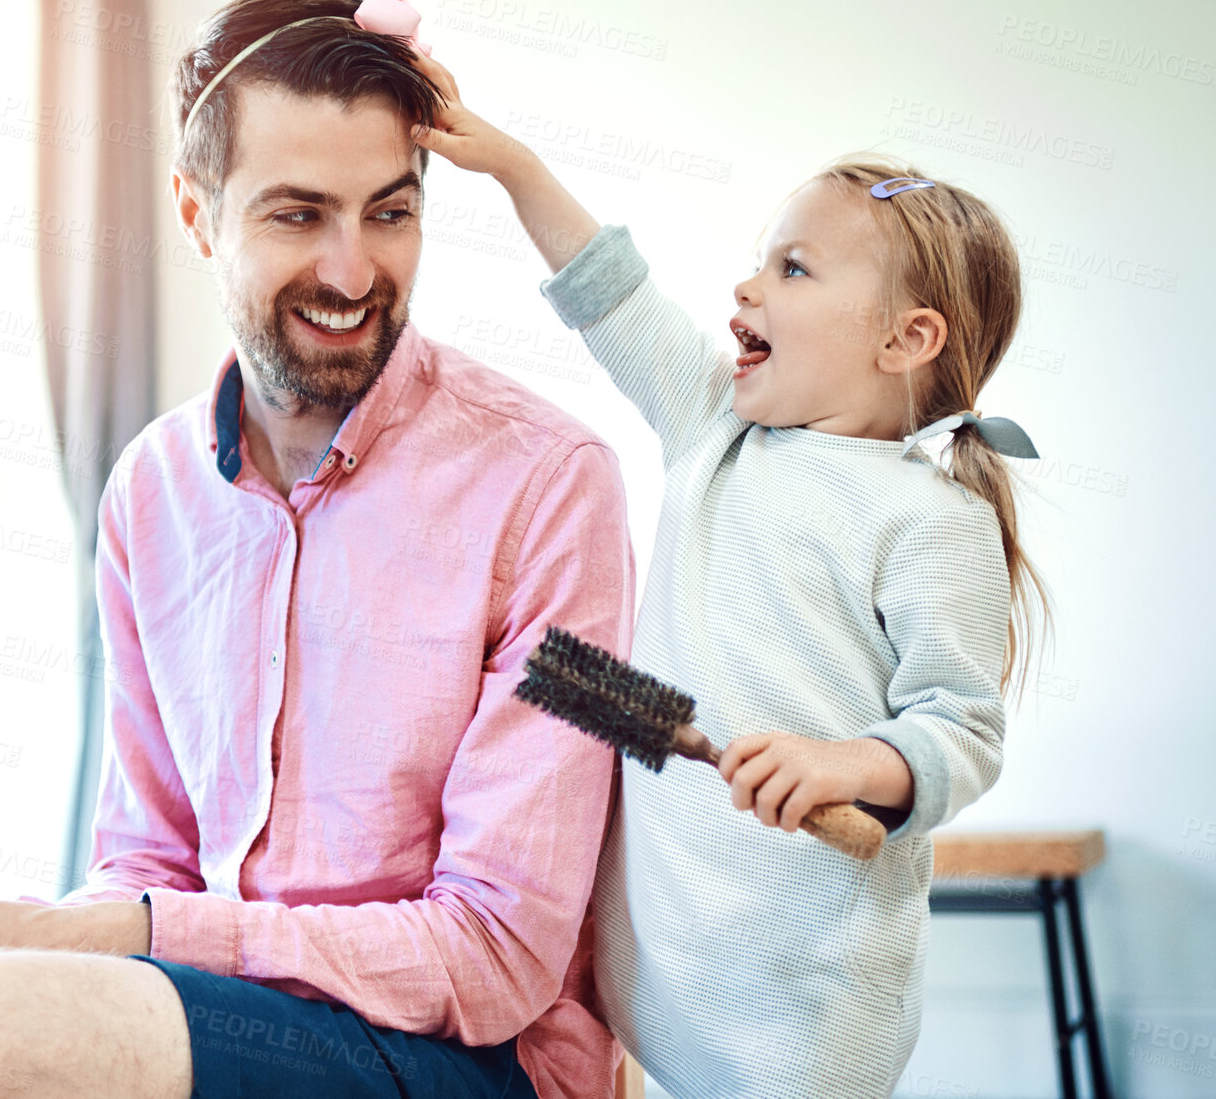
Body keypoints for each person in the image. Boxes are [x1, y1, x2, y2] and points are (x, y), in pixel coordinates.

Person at [0, 0, 635, 1099]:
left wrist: (125, 934)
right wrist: (73, 929)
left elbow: (498, 955)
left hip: (468, 1054)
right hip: (229, 1001)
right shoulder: (154, 489)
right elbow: (148, 855)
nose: (355, 272)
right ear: (196, 212)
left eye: (390, 212)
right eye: (297, 213)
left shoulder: (553, 484)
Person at [408, 53, 1048, 1098]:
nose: (746, 286)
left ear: (906, 337)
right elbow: (613, 295)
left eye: (793, 269)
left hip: (806, 1001)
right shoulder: (715, 429)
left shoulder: (930, 518)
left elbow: (962, 729)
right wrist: (513, 168)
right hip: (661, 963)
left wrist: (851, 764)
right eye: (761, 261)